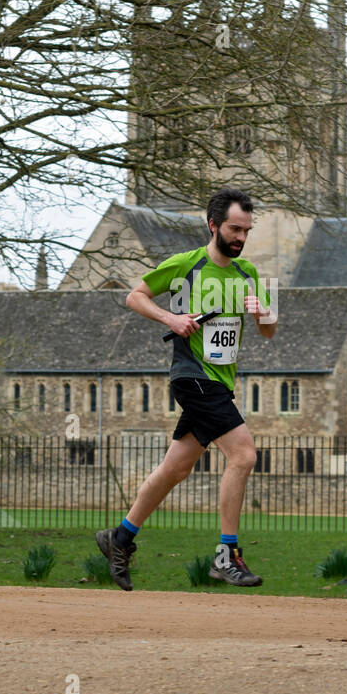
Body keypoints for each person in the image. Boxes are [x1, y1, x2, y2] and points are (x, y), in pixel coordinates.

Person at [96, 188, 275, 590]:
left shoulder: (249, 274)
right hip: (192, 376)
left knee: (176, 467)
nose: (241, 237)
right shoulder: (186, 266)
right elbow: (134, 296)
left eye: (247, 230)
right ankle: (226, 555)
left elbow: (269, 330)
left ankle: (120, 537)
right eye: (234, 228)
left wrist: (263, 312)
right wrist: (171, 319)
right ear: (213, 225)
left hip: (220, 382)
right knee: (244, 455)